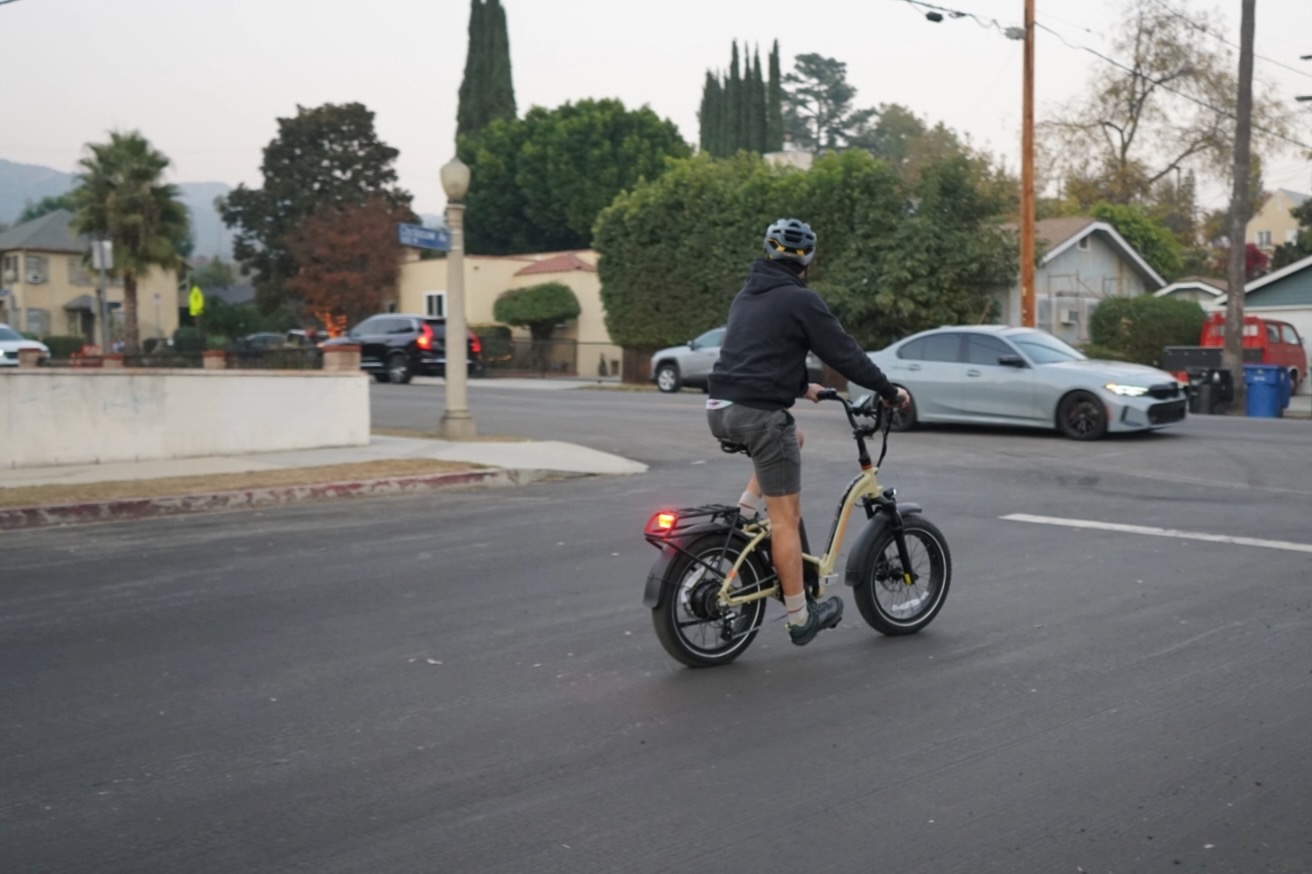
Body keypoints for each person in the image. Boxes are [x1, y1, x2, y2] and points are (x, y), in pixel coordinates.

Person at [706, 218, 909, 647]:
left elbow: (755, 351)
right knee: (785, 520)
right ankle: (800, 616)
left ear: (768, 252)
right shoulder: (800, 300)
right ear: (807, 261)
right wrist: (888, 391)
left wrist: (801, 387)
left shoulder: (748, 294)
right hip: (758, 415)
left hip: (720, 408)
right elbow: (845, 353)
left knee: (791, 436)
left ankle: (743, 514)